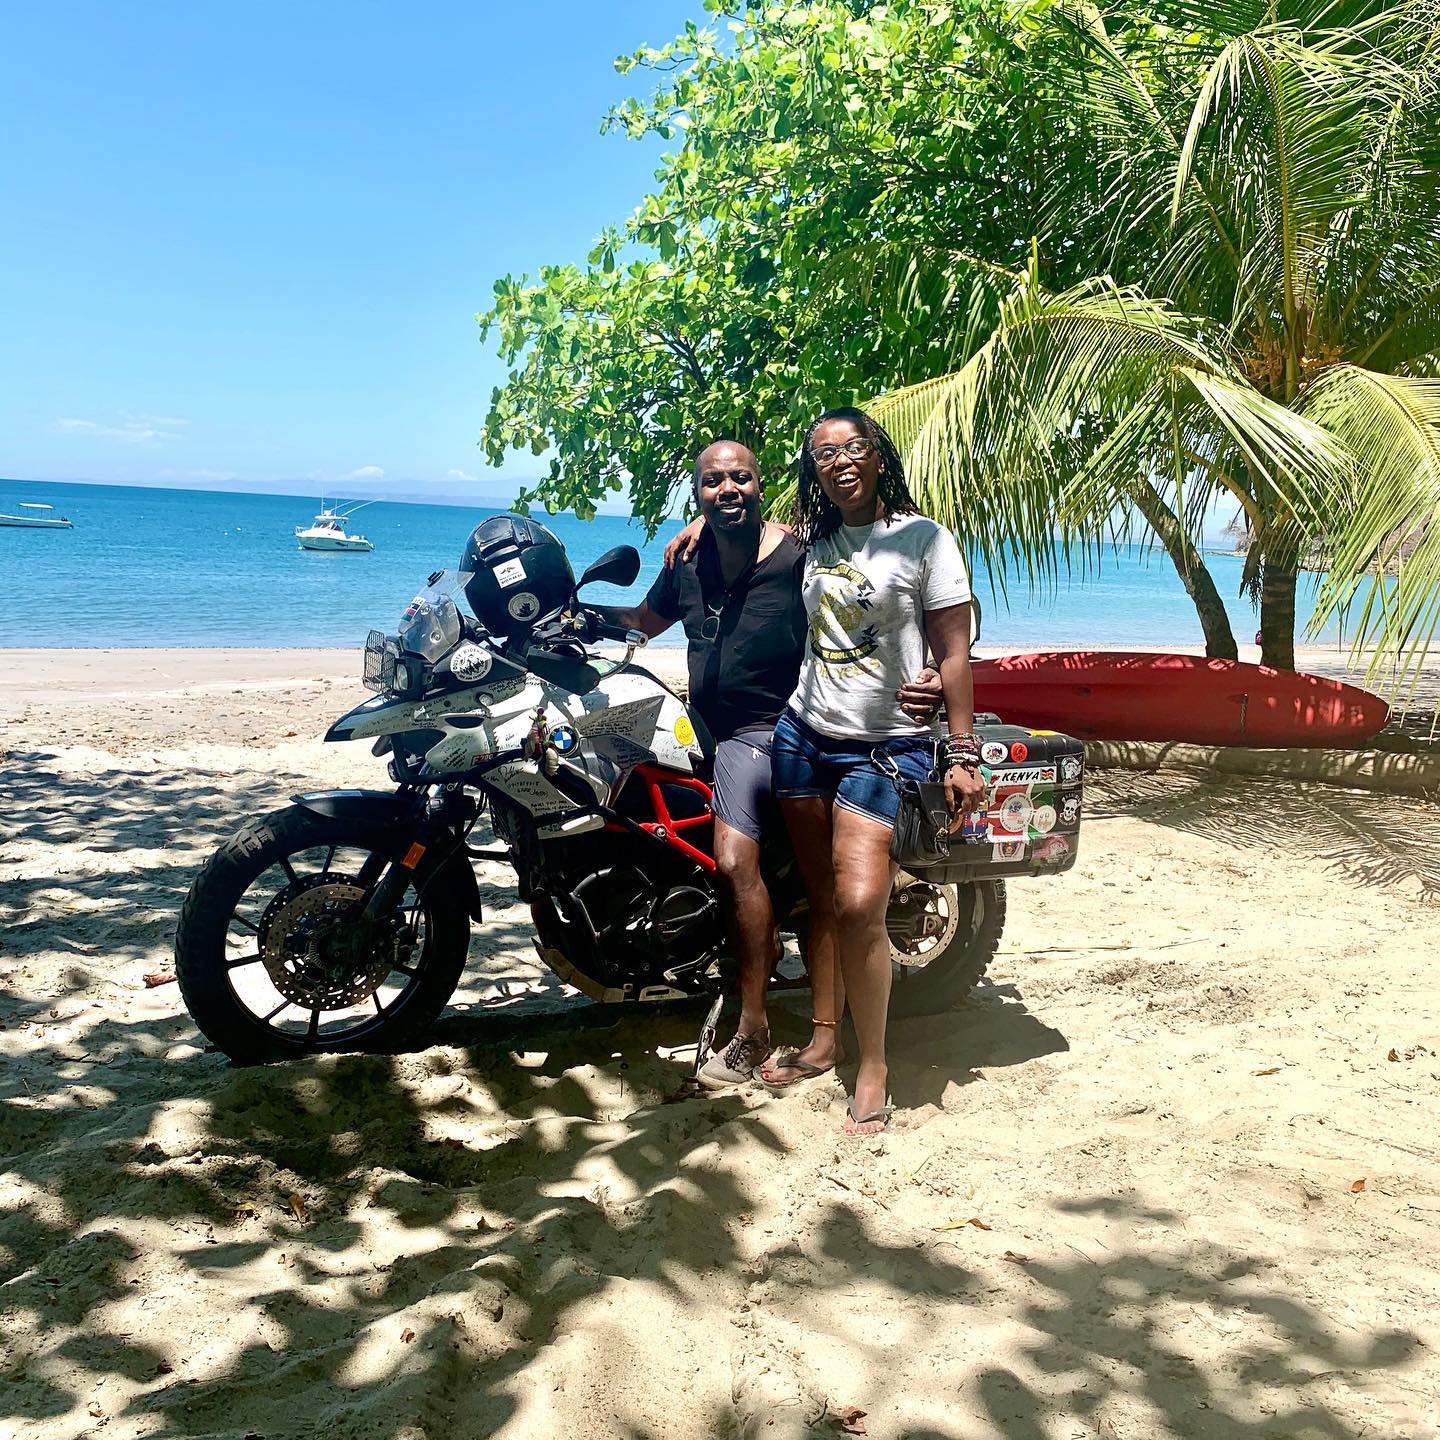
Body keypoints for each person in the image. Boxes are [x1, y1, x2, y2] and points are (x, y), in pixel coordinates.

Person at [596, 439, 941, 1088]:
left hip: (769, 733)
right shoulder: (687, 563)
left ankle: (753, 1027)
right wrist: (570, 620)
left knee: (732, 861)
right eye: (712, 483)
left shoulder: (799, 554)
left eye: (740, 479)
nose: (727, 490)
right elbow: (645, 620)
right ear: (695, 494)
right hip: (704, 730)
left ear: (762, 486)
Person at [767, 406, 985, 1134]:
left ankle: (876, 1062)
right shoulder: (812, 538)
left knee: (860, 904)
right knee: (819, 898)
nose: (841, 462)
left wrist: (960, 752)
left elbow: (955, 649)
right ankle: (826, 1038)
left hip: (885, 746)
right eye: (825, 454)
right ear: (814, 471)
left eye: (854, 447)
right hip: (803, 735)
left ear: (877, 455)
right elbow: (741, 541)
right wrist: (697, 529)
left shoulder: (925, 538)